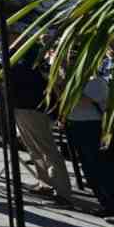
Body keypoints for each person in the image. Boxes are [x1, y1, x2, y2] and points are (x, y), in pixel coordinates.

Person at [63, 73, 114, 227]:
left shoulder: (96, 81)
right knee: (90, 171)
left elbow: (79, 101)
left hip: (94, 128)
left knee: (106, 172)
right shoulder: (74, 80)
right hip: (78, 126)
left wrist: (63, 86)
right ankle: (108, 206)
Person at [10, 48, 72, 205]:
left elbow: (49, 80)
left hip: (33, 108)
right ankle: (45, 183)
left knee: (47, 149)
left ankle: (63, 192)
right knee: (34, 149)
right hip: (22, 107)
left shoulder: (29, 56)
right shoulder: (16, 55)